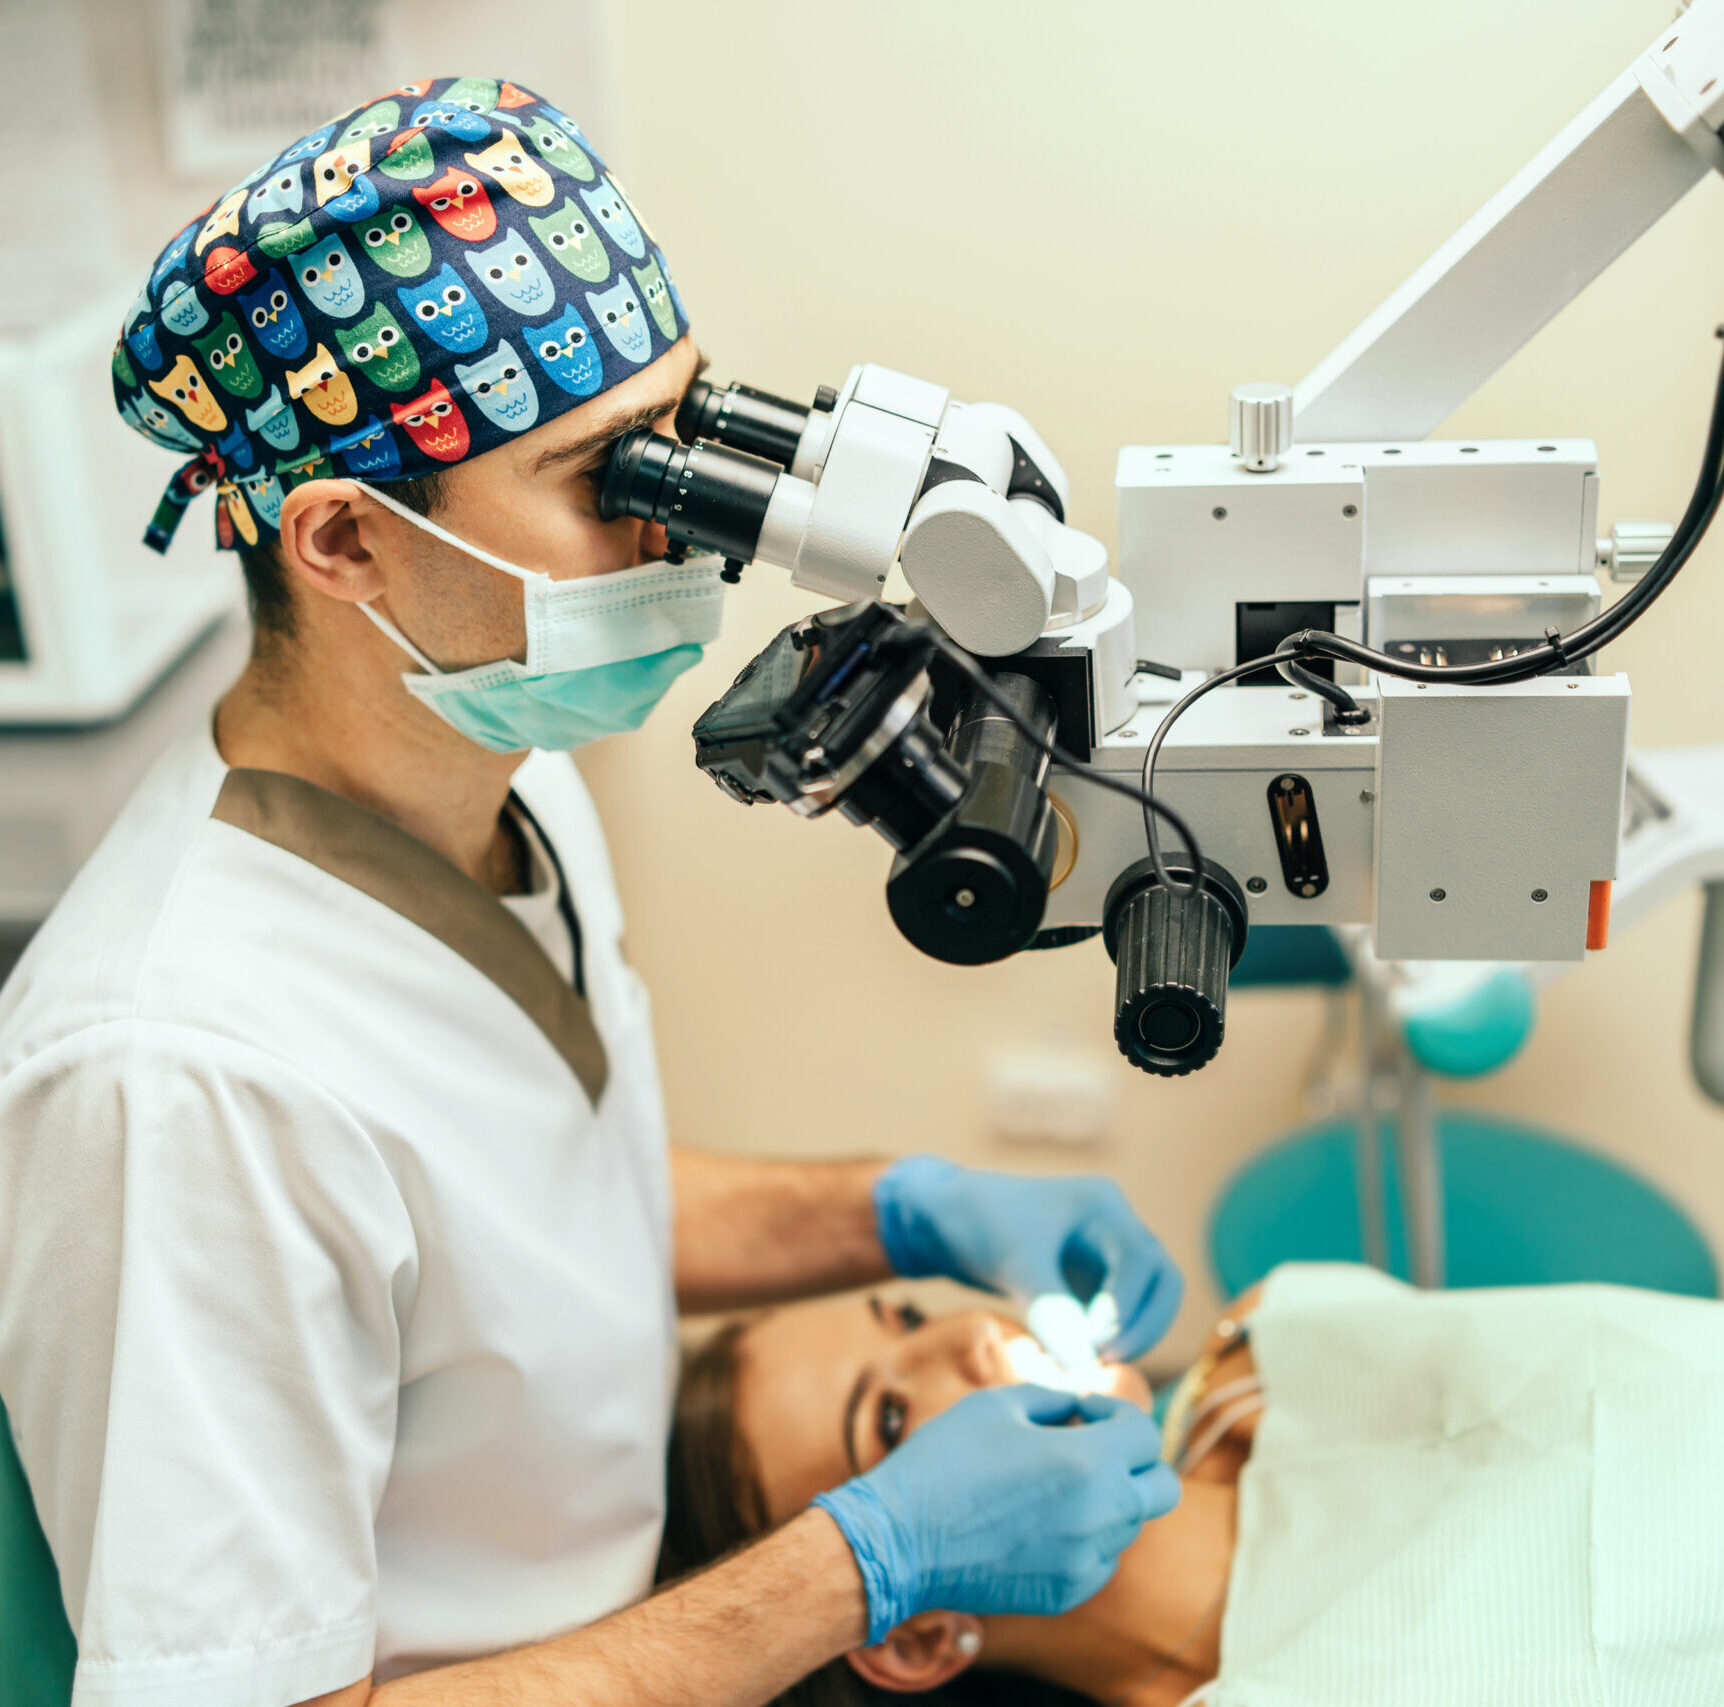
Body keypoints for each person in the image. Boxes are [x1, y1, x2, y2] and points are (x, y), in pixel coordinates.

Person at [0, 76, 1186, 1707]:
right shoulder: (178, 1076)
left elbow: (522, 1216)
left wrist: (890, 1206)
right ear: (344, 542)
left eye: (688, 437)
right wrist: (859, 1563)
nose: (681, 531)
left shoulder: (503, 769)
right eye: (598, 475)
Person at [662, 1289, 1264, 1707]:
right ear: (916, 1641)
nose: (971, 1335)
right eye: (889, 1420)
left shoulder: (1264, 1349)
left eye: (910, 1319)